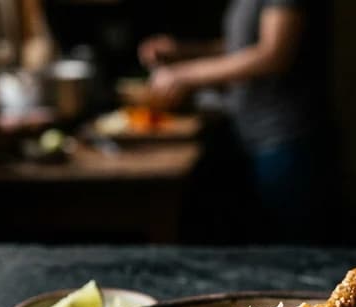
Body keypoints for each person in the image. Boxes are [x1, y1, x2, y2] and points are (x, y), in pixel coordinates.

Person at [138, 0, 328, 237]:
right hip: (254, 135)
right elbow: (243, 46)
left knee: (295, 247)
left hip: (286, 138)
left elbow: (273, 54)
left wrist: (184, 75)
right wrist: (185, 51)